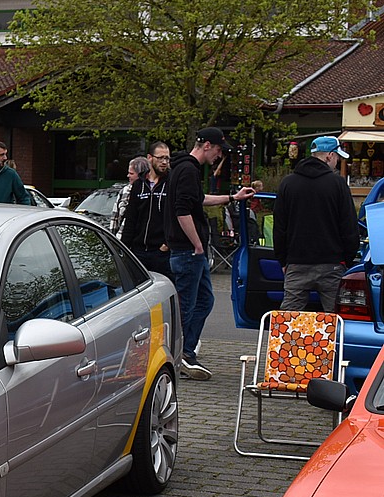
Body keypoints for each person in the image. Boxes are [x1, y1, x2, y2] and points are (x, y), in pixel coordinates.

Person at [164, 126, 256, 380]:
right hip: (188, 251)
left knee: (204, 300)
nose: (219, 156)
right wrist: (197, 244)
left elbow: (198, 199)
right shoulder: (187, 170)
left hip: (190, 251)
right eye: (218, 150)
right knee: (187, 305)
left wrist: (232, 197)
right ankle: (179, 355)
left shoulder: (185, 168)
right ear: (206, 146)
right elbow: (183, 210)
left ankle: (186, 351)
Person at [273, 136, 359, 312]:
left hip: (297, 262)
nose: (337, 161)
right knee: (335, 317)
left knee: (289, 317)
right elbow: (349, 226)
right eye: (337, 157)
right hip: (332, 263)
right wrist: (347, 260)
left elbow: (280, 227)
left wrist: (283, 260)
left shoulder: (288, 183)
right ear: (329, 156)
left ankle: (287, 333)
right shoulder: (338, 184)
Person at [115, 144, 172, 278]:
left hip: (161, 252)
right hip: (138, 251)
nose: (164, 162)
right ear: (150, 158)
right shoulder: (138, 185)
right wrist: (125, 248)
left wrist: (166, 245)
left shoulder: (171, 183)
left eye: (167, 158)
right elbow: (131, 218)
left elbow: (176, 217)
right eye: (160, 158)